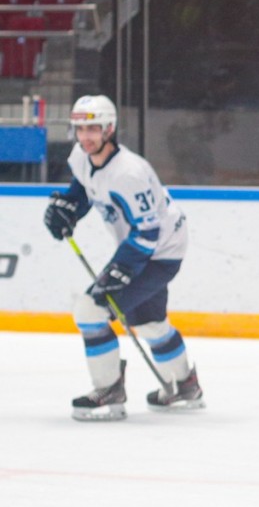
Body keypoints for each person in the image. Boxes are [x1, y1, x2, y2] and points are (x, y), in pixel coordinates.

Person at [42, 94, 204, 421]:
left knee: (90, 311)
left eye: (94, 129)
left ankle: (109, 391)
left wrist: (122, 269)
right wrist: (70, 209)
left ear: (110, 129)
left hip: (160, 251)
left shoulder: (129, 173)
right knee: (148, 322)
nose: (85, 137)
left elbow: (148, 232)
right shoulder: (81, 156)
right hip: (146, 246)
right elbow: (86, 188)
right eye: (80, 129)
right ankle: (185, 385)